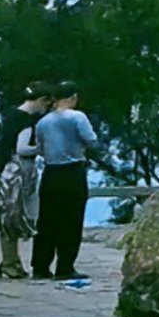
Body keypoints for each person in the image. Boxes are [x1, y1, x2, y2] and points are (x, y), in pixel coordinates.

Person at [31, 84, 101, 286]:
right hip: (72, 170)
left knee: (47, 220)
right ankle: (65, 266)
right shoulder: (77, 117)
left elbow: (41, 147)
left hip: (51, 172)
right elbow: (91, 140)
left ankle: (41, 266)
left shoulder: (43, 122)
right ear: (73, 97)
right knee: (71, 220)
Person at [0, 93, 45, 280]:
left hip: (11, 167)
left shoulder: (11, 114)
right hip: (18, 170)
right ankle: (9, 262)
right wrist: (39, 148)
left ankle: (12, 260)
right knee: (12, 215)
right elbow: (21, 147)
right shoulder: (24, 120)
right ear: (40, 99)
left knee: (12, 215)